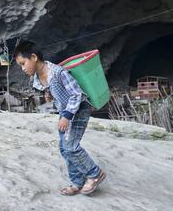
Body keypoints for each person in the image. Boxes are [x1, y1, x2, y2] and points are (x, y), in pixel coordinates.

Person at [13, 41, 106, 196]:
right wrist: (49, 95)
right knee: (64, 149)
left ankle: (95, 174)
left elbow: (76, 94)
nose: (23, 68)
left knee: (71, 147)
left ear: (34, 57)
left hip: (78, 110)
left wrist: (67, 116)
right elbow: (51, 89)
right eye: (20, 66)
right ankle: (77, 182)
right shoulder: (37, 77)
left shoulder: (58, 72)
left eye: (23, 63)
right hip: (65, 113)